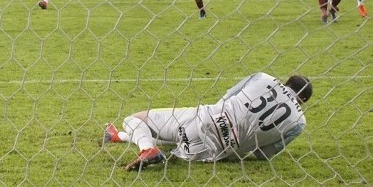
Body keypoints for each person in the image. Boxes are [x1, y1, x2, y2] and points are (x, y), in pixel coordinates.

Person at [103, 73, 313, 171]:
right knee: (172, 139)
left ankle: (146, 148)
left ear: (286, 82)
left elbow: (227, 96)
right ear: (302, 101)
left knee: (134, 119)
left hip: (202, 121)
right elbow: (263, 154)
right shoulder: (299, 123)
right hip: (210, 154)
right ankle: (118, 137)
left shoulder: (264, 78)